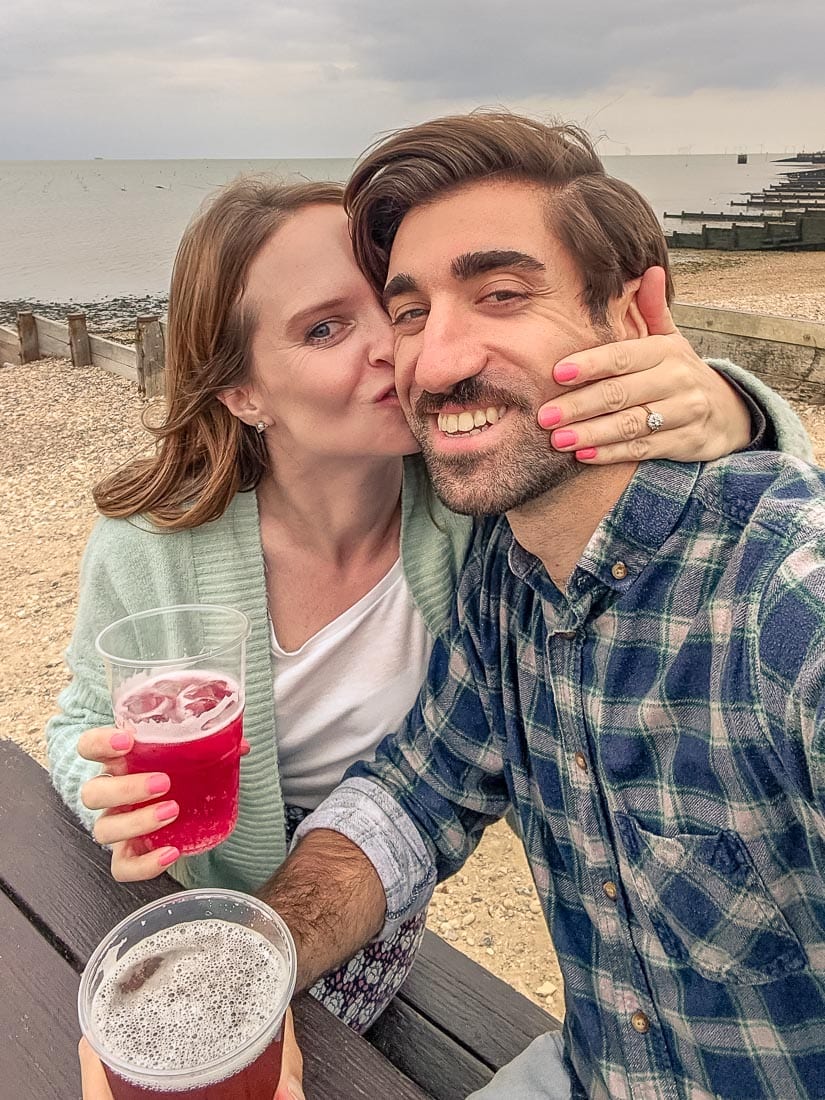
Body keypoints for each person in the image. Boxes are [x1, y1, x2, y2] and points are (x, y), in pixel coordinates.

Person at [49, 171, 800, 1035]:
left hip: (362, 905)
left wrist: (735, 407)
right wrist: (104, 783)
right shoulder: (154, 545)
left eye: (392, 308)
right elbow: (79, 722)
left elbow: (676, 511)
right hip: (190, 887)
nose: (404, 352)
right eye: (325, 328)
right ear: (243, 394)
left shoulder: (471, 507)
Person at [256, 113, 825, 1100]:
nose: (433, 363)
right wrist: (247, 962)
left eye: (503, 292)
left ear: (640, 314)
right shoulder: (504, 574)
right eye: (411, 311)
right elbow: (410, 792)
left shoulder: (783, 613)